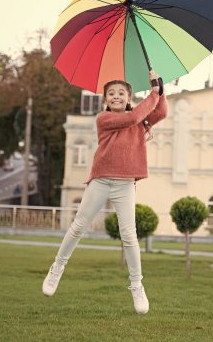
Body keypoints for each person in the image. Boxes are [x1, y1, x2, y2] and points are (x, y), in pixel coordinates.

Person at [42, 70, 168, 314]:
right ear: (106, 100)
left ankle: (136, 284)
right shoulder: (104, 119)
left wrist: (161, 91)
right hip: (101, 180)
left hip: (124, 184)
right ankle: (57, 267)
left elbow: (160, 112)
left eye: (121, 93)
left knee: (129, 235)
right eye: (111, 93)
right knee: (78, 226)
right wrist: (152, 93)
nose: (116, 96)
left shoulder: (140, 119)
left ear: (129, 96)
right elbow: (132, 118)